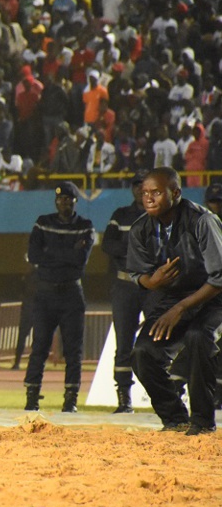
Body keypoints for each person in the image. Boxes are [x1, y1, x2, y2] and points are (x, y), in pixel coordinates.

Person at [127, 167, 222, 435]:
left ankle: (203, 423)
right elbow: (138, 274)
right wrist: (152, 282)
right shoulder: (140, 228)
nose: (148, 198)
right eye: (145, 192)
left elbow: (219, 278)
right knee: (142, 353)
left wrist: (181, 308)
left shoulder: (202, 221)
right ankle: (175, 419)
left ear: (176, 193)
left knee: (197, 337)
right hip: (172, 298)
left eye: (156, 192)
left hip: (214, 297)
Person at [22, 181, 94, 413]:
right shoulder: (43, 222)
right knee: (39, 346)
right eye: (60, 199)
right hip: (45, 293)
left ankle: (70, 401)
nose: (64, 202)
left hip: (71, 293)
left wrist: (50, 254)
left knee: (73, 350)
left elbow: (80, 261)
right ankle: (31, 398)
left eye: (68, 199)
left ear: (75, 201)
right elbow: (34, 255)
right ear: (56, 201)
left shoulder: (85, 225)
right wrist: (68, 252)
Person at [100, 172, 146, 413]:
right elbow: (107, 244)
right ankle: (124, 398)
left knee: (160, 342)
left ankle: (166, 395)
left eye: (144, 185)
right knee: (124, 343)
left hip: (152, 287)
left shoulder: (160, 214)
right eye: (137, 185)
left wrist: (128, 252)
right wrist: (137, 252)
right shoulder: (120, 215)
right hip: (125, 285)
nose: (140, 190)